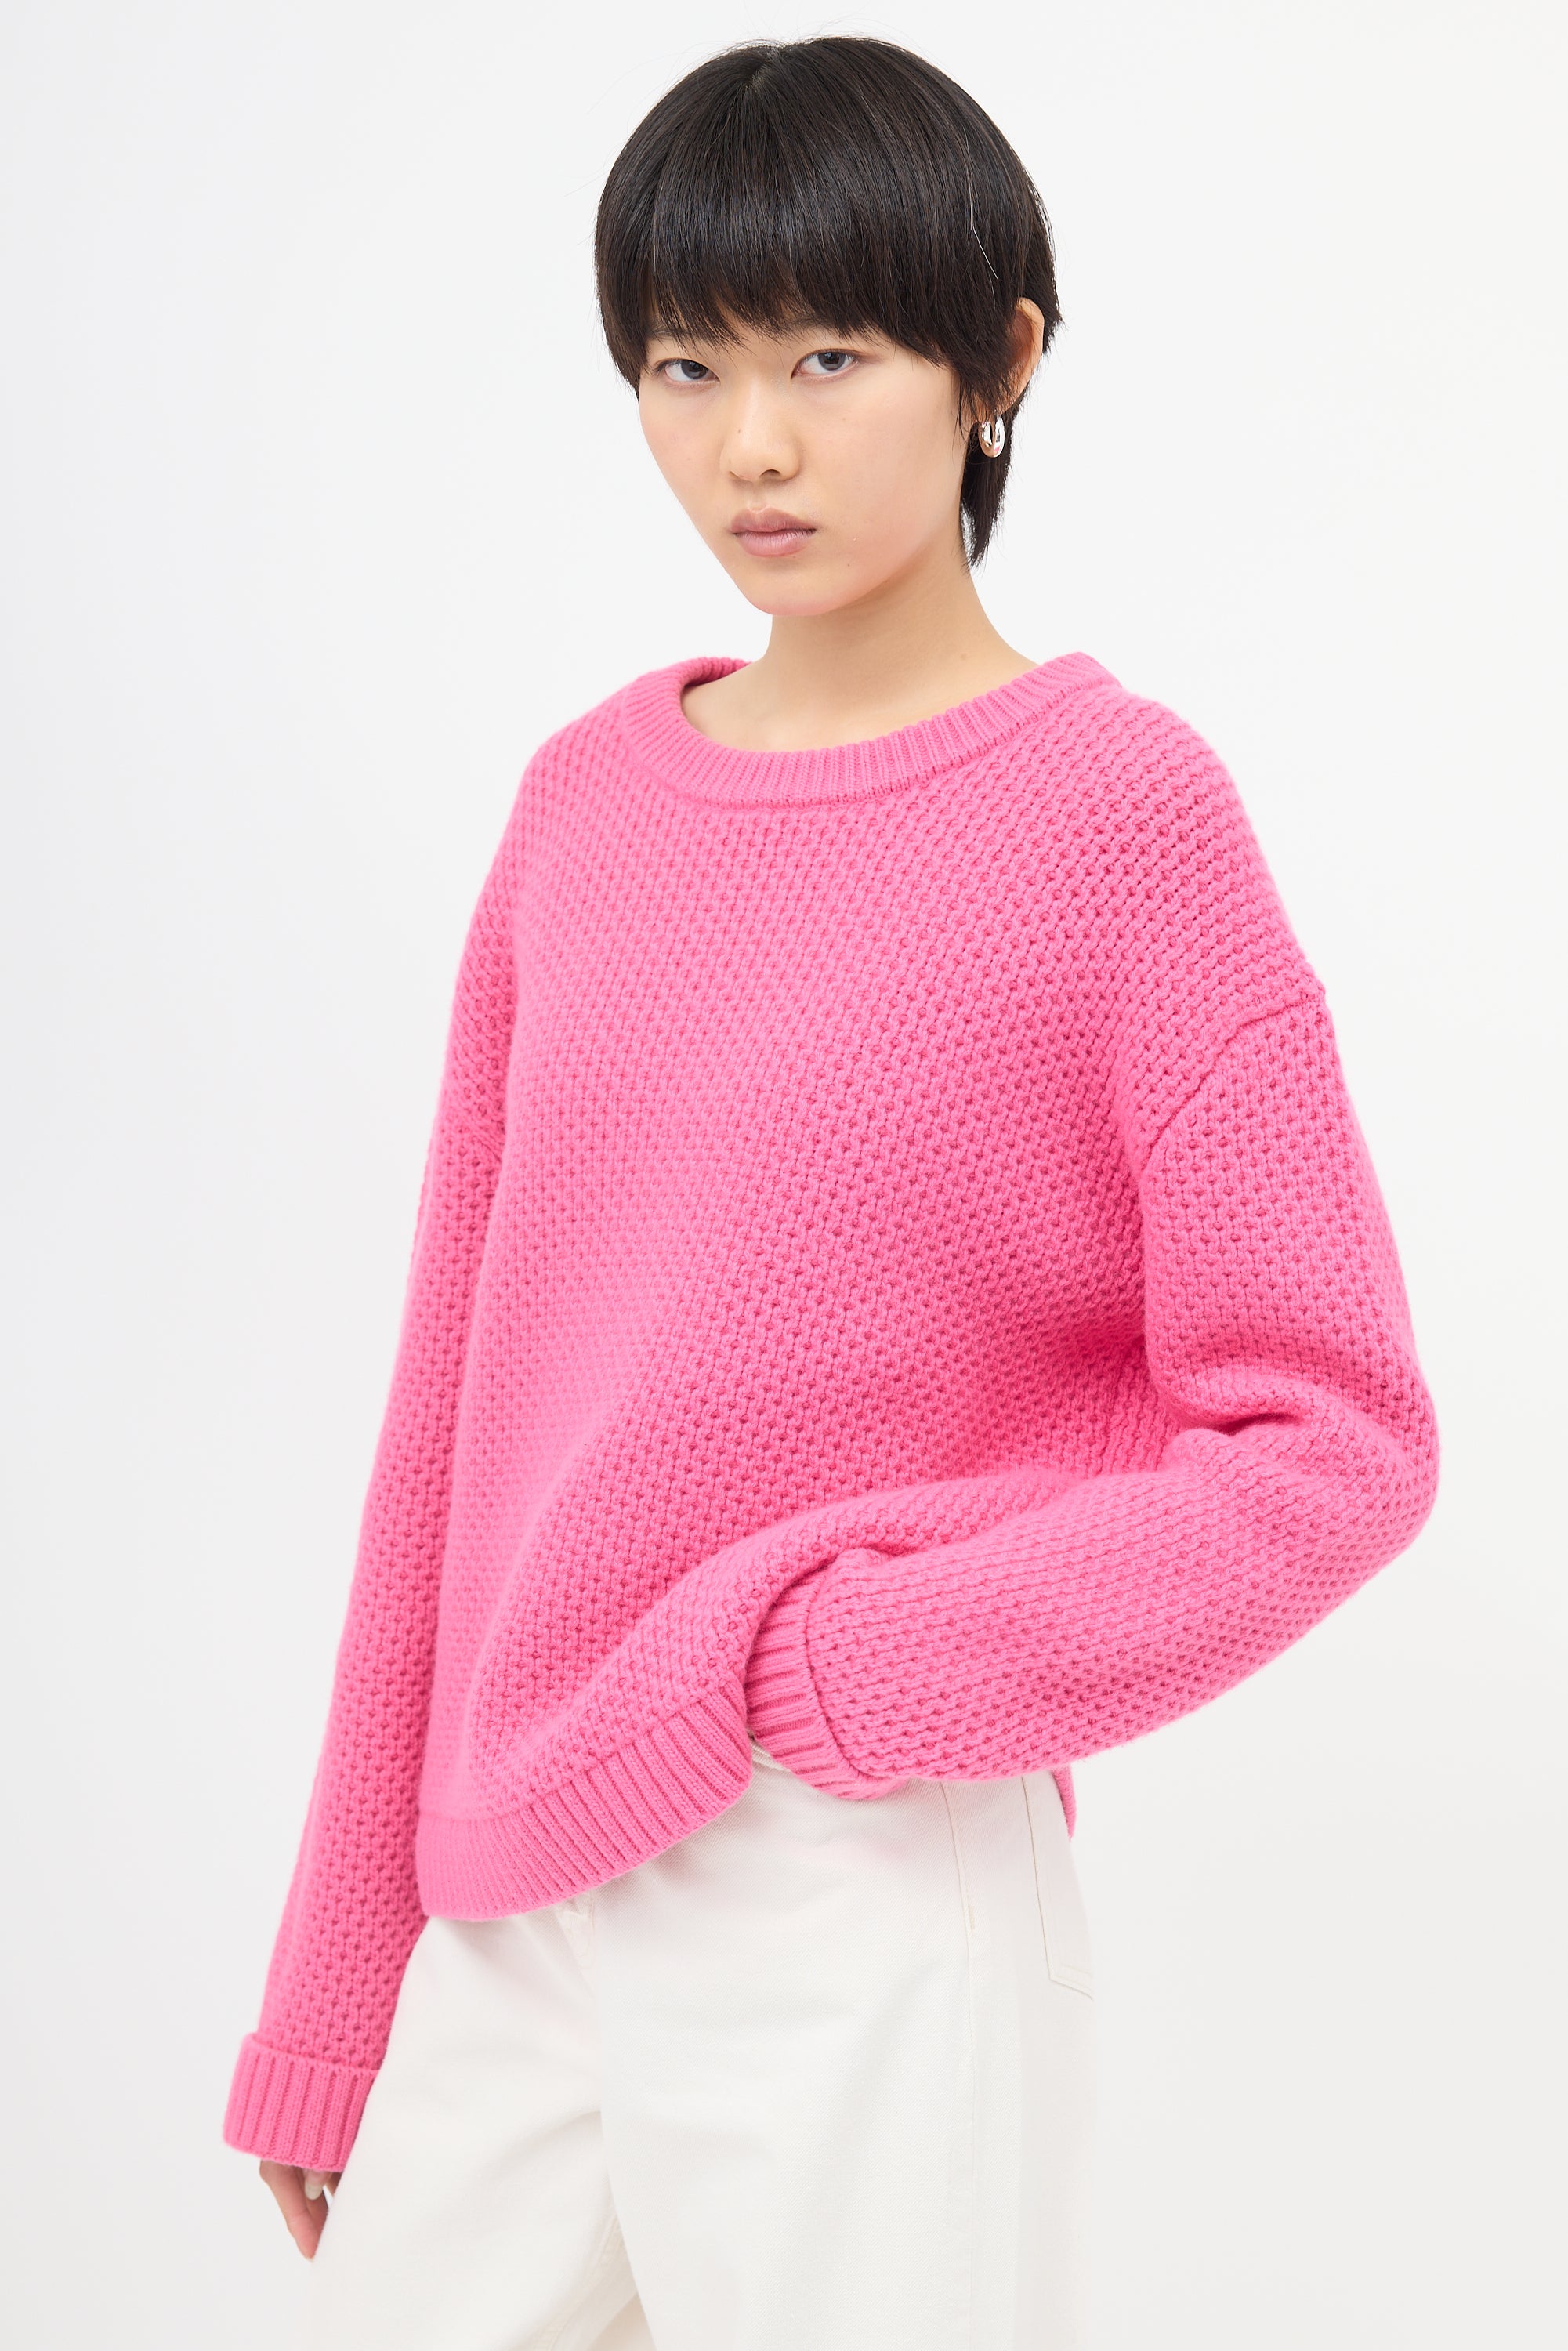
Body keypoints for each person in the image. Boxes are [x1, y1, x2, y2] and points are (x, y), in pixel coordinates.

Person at [224, 34, 1440, 2350]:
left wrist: (865, 1678)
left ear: (1003, 364)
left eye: (828, 357)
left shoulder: (1119, 818)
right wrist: (340, 1975)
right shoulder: (582, 808)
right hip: (512, 1889)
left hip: (851, 1875)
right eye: (685, 366)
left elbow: (1332, 1437)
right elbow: (451, 1429)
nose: (750, 446)